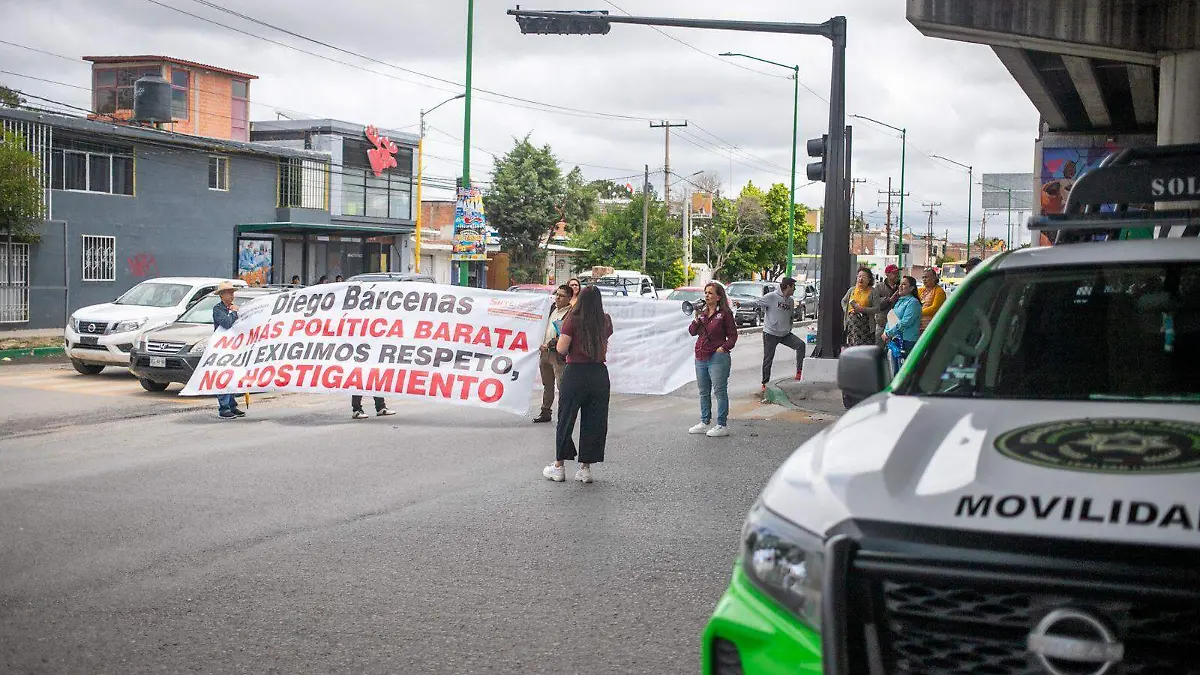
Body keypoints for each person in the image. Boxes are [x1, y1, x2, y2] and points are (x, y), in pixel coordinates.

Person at [543, 285, 612, 484]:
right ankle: (585, 468)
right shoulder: (605, 320)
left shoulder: (572, 319)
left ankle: (559, 466)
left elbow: (562, 348)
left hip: (576, 373)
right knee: (595, 421)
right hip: (598, 373)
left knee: (566, 418)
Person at [739, 277, 805, 397]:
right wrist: (740, 303)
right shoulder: (771, 297)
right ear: (788, 286)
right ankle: (765, 383)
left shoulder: (790, 300)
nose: (794, 290)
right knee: (768, 358)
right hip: (770, 333)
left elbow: (790, 315)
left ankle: (799, 372)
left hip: (785, 334)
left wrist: (790, 327)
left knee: (801, 345)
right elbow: (756, 303)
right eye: (793, 287)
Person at [688, 281, 737, 438]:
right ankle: (705, 421)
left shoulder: (724, 314)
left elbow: (733, 336)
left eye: (710, 293)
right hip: (701, 356)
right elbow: (692, 332)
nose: (706, 295)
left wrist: (723, 348)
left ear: (718, 296)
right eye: (705, 292)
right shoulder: (702, 314)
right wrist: (696, 320)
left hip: (717, 357)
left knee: (719, 391)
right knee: (703, 392)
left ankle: (722, 424)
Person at [533, 284, 574, 424]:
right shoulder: (550, 309)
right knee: (547, 384)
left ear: (569, 298)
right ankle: (545, 411)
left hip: (557, 355)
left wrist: (549, 344)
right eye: (557, 294)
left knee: (561, 385)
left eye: (561, 295)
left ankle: (565, 413)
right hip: (544, 353)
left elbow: (565, 335)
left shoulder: (571, 313)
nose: (557, 297)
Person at [212, 281, 245, 420]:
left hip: (233, 347)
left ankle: (232, 405)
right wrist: (234, 313)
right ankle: (224, 408)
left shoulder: (233, 308)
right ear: (221, 295)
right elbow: (226, 323)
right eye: (229, 293)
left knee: (232, 376)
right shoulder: (218, 309)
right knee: (223, 376)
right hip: (222, 348)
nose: (232, 295)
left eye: (232, 292)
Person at [884, 276, 922, 373]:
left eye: (904, 284)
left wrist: (888, 333)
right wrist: (886, 332)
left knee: (904, 372)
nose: (900, 286)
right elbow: (892, 319)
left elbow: (905, 322)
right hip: (895, 341)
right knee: (895, 372)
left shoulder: (913, 303)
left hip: (907, 342)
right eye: (900, 284)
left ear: (912, 288)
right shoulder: (900, 301)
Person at [841, 268, 878, 347]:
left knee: (865, 348)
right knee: (853, 347)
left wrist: (862, 309)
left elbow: (877, 308)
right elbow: (843, 301)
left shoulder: (873, 291)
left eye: (864, 277)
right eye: (859, 276)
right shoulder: (852, 290)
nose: (861, 279)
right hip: (852, 326)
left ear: (869, 280)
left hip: (866, 326)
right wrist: (848, 310)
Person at [871, 264, 901, 344]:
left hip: (896, 325)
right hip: (882, 324)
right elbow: (875, 304)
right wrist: (889, 300)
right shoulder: (879, 287)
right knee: (878, 349)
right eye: (894, 273)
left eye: (898, 273)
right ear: (887, 274)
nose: (897, 275)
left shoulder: (901, 287)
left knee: (894, 350)